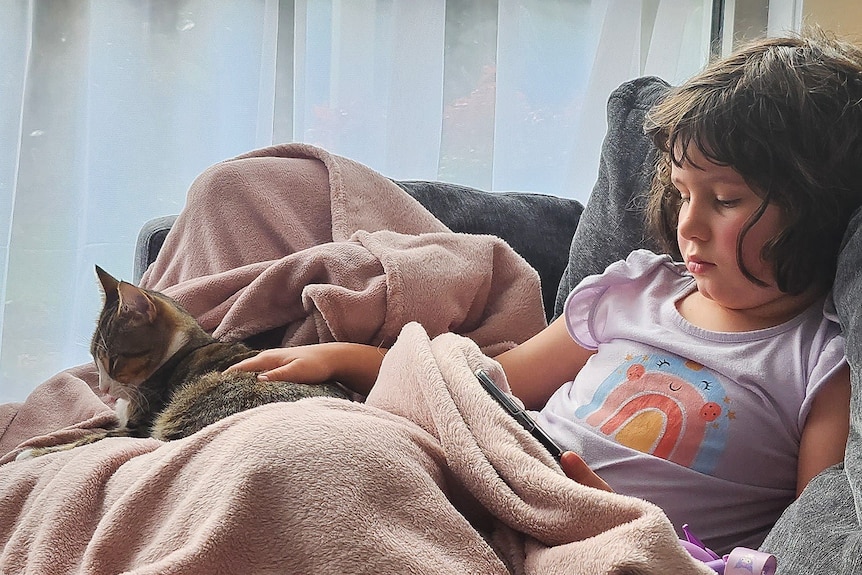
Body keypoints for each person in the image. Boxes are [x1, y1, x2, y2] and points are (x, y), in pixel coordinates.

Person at [227, 31, 862, 552]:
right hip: (505, 479)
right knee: (300, 456)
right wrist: (349, 361)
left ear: (813, 207)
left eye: (725, 201)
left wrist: (653, 539)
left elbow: (805, 543)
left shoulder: (820, 362)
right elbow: (489, 388)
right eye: (682, 193)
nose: (687, 225)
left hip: (617, 546)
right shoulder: (635, 288)